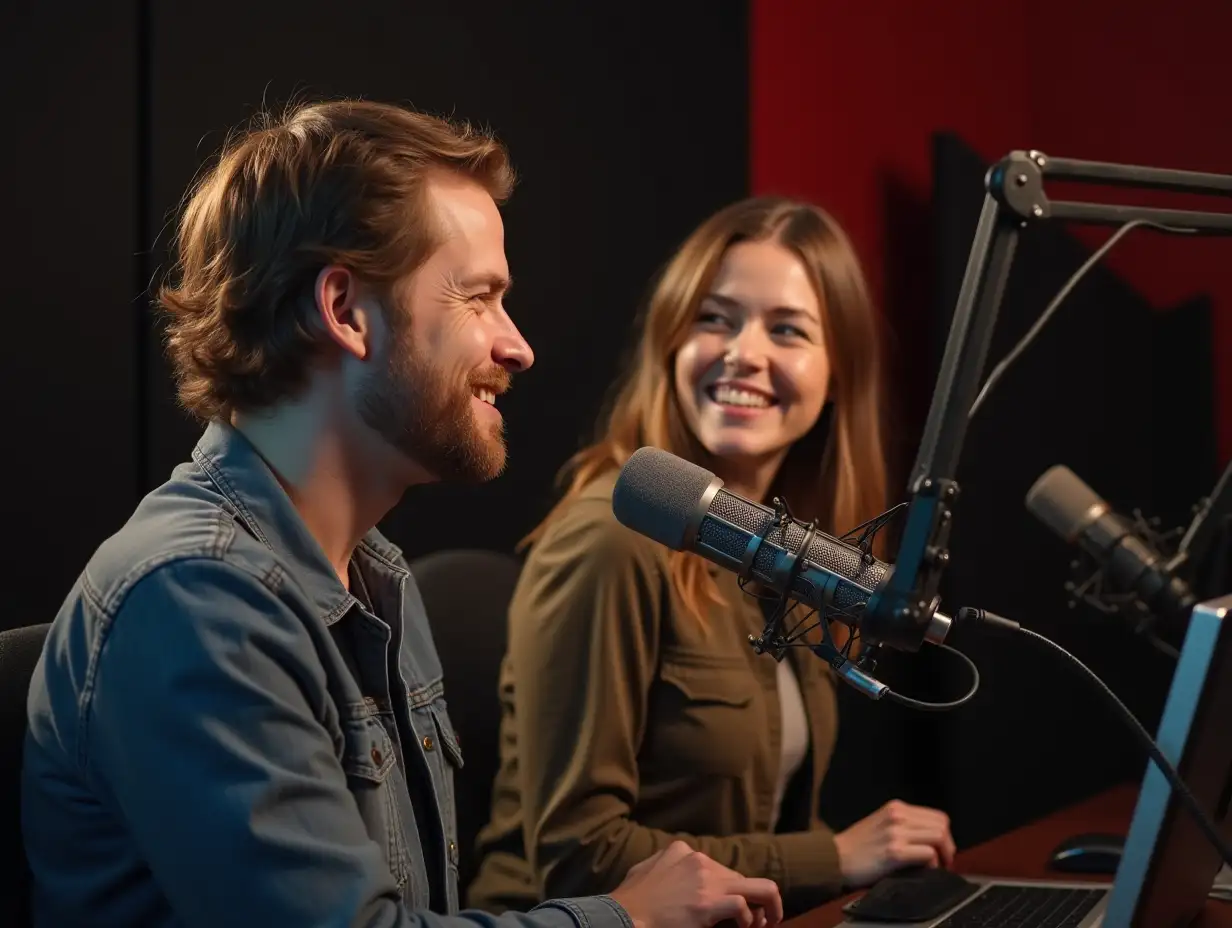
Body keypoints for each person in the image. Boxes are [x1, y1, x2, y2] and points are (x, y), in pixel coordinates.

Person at [21, 99, 784, 928]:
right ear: (345, 310)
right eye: (479, 298)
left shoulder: (376, 574)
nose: (517, 345)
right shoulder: (196, 599)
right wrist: (627, 917)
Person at [469, 196, 956, 915]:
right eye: (714, 319)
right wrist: (837, 856)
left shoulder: (786, 557)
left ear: (837, 377)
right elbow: (579, 859)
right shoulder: (608, 541)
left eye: (787, 330)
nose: (743, 353)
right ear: (671, 343)